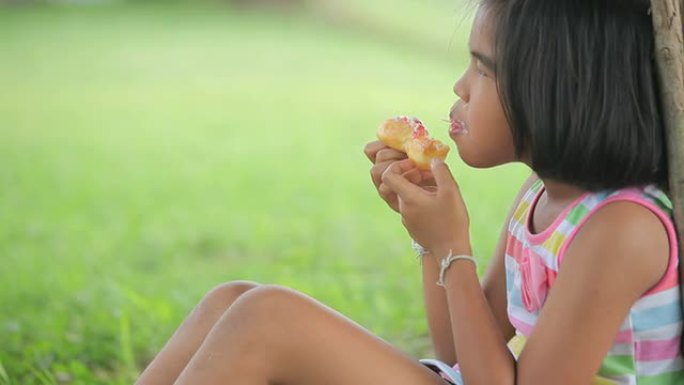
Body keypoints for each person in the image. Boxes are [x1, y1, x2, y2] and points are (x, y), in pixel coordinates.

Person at [135, 0, 684, 384]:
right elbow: (458, 351)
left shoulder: (621, 229)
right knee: (233, 300)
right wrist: (427, 236)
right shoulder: (540, 196)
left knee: (266, 317)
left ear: (558, 92)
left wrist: (453, 246)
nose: (460, 86)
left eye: (483, 69)